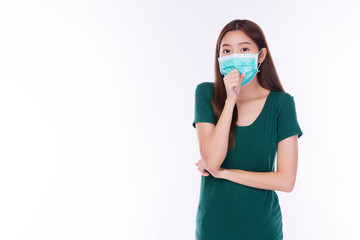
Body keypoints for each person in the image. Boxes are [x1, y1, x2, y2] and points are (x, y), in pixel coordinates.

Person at [192, 19, 303, 240]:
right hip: (213, 229)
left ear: (260, 56)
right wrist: (230, 101)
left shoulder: (281, 104)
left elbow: (286, 181)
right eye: (227, 50)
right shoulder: (206, 94)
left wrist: (225, 173)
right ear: (219, 57)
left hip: (263, 230)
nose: (235, 57)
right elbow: (212, 161)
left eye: (244, 49)